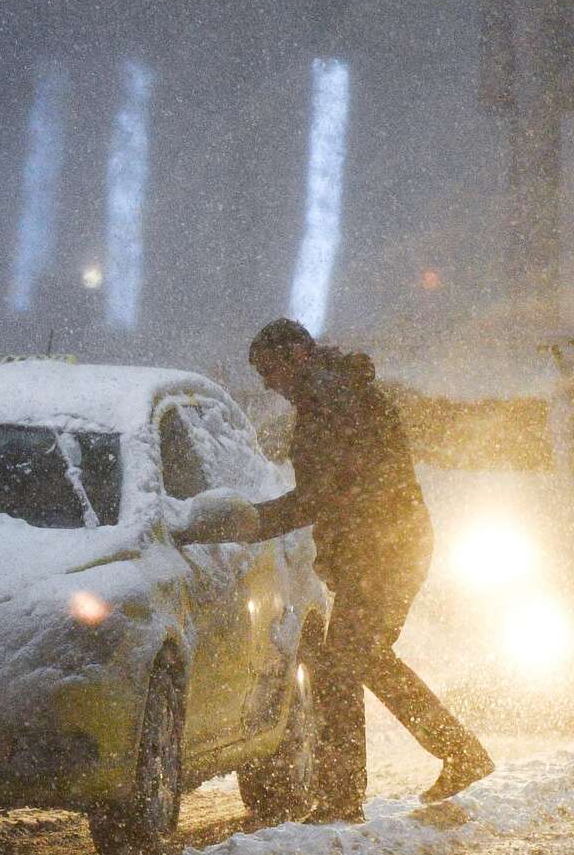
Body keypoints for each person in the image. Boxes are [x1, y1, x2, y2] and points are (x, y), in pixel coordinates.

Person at [184, 318, 493, 818]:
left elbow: (323, 493)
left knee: (342, 666)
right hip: (387, 546)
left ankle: (344, 797)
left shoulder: (332, 402)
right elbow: (335, 490)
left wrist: (254, 522)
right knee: (361, 658)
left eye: (269, 369)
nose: (266, 382)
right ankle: (456, 754)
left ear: (298, 356)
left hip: (384, 551)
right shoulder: (332, 393)